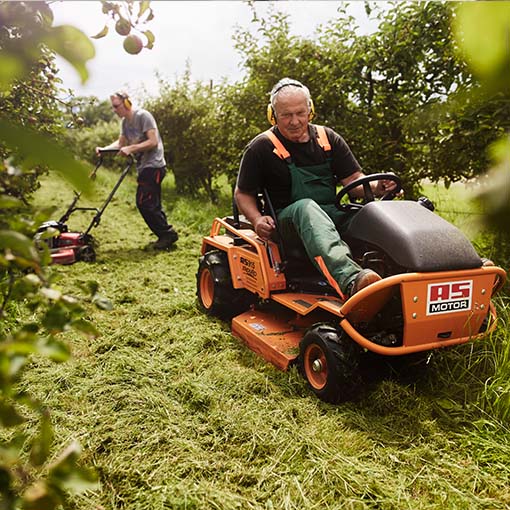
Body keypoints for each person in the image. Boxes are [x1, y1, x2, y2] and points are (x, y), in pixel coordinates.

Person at [234, 78, 399, 299]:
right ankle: (353, 282)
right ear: (272, 115)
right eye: (286, 115)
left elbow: (353, 181)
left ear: (310, 110)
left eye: (300, 113)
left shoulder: (327, 139)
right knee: (306, 208)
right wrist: (256, 220)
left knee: (373, 217)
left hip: (330, 215)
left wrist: (378, 187)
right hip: (288, 223)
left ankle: (402, 274)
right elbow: (242, 193)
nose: (294, 121)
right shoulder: (261, 147)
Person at [96, 91, 178, 250]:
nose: (114, 110)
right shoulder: (125, 123)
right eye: (112, 107)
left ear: (126, 103)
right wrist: (104, 150)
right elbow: (121, 144)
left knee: (144, 203)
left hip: (154, 165)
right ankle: (166, 235)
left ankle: (167, 234)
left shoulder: (143, 116)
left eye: (116, 106)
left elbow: (153, 142)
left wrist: (131, 148)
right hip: (144, 167)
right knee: (151, 203)